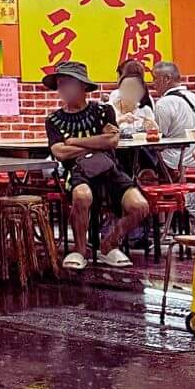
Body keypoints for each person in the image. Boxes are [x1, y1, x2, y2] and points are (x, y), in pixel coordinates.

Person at [44, 59, 150, 273]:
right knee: (82, 196)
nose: (63, 88)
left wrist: (74, 141)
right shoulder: (54, 119)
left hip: (109, 169)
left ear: (83, 86)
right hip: (77, 171)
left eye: (68, 83)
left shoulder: (103, 111)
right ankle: (80, 250)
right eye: (61, 83)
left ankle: (109, 243)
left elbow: (111, 141)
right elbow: (58, 152)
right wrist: (96, 142)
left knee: (140, 207)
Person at [150, 60, 195, 179]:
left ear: (167, 79)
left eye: (155, 78)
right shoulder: (193, 97)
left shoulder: (163, 103)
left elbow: (158, 139)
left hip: (172, 162)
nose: (153, 83)